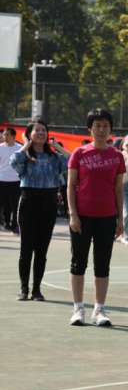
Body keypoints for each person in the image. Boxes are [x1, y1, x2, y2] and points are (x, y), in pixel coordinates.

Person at [67, 109, 125, 326]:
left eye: (105, 125)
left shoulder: (117, 156)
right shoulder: (79, 153)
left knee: (102, 265)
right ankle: (78, 308)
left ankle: (99, 309)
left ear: (110, 129)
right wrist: (73, 214)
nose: (102, 129)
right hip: (82, 217)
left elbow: (118, 189)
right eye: (97, 125)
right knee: (78, 263)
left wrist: (120, 219)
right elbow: (71, 186)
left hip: (107, 217)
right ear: (89, 128)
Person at [10, 121, 70, 301]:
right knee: (26, 249)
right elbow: (14, 161)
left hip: (48, 205)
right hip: (28, 203)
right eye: (37, 130)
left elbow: (72, 161)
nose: (41, 133)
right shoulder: (25, 156)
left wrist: (56, 146)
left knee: (41, 251)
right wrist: (26, 145)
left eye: (44, 130)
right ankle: (24, 288)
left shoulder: (54, 157)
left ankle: (36, 289)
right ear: (29, 134)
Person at [0, 128, 22, 234]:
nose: (5, 137)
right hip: (2, 179)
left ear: (13, 136)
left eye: (7, 135)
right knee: (3, 203)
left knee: (15, 204)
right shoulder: (0, 148)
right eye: (4, 135)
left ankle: (15, 225)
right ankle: (6, 222)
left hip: (15, 180)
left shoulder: (20, 148)